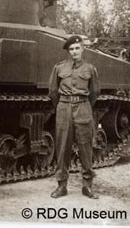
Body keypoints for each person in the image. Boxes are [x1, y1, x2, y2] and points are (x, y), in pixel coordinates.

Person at [48, 35, 101, 199]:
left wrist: (83, 104)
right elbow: (52, 92)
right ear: (68, 51)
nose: (74, 51)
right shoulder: (59, 68)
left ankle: (87, 186)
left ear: (82, 49)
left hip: (83, 107)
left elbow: (95, 92)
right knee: (63, 147)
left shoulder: (90, 69)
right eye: (71, 49)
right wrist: (64, 105)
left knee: (85, 147)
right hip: (63, 108)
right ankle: (62, 186)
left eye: (77, 48)